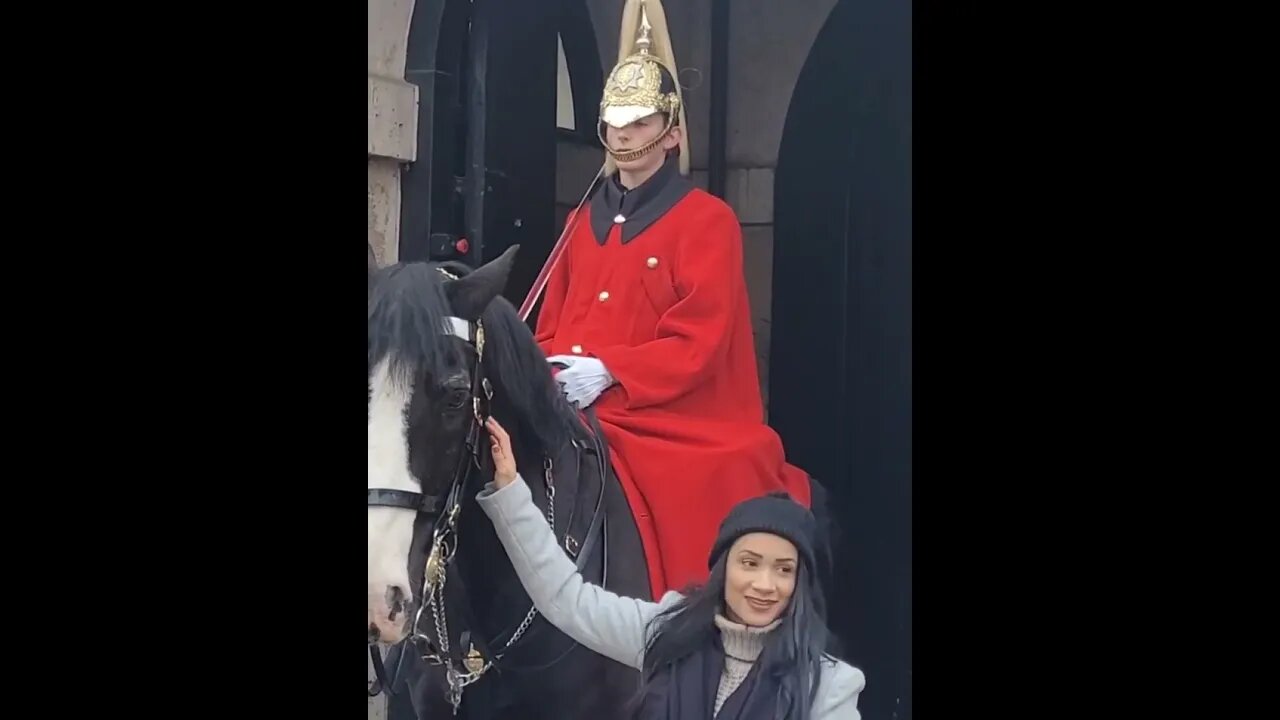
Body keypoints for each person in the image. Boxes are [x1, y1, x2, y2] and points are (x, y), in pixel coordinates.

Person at [534, 0, 813, 600]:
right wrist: (550, 368)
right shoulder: (582, 218)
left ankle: (684, 623)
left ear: (671, 131)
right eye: (615, 121)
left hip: (664, 413)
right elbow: (553, 320)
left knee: (717, 473)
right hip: (574, 401)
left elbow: (700, 339)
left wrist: (612, 371)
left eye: (639, 122)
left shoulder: (707, 221)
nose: (623, 134)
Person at [481, 417, 863, 719]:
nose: (765, 584)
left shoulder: (827, 686)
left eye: (784, 570)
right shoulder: (666, 633)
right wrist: (511, 492)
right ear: (723, 567)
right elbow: (566, 599)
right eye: (750, 563)